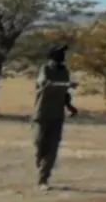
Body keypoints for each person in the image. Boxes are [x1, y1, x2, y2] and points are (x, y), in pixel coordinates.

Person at [32, 44, 79, 191]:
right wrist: (67, 84)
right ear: (52, 56)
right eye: (59, 54)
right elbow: (45, 84)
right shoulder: (45, 69)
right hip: (42, 114)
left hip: (57, 115)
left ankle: (43, 178)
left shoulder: (64, 71)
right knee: (40, 144)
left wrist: (70, 106)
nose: (62, 57)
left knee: (53, 148)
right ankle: (40, 161)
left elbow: (64, 94)